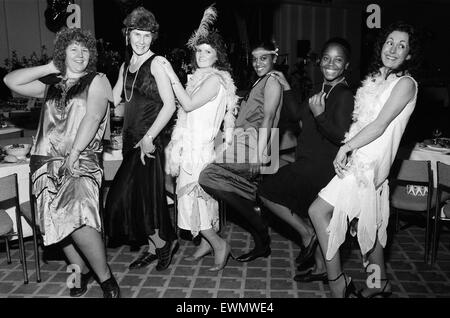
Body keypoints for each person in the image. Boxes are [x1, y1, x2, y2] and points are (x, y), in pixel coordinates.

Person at [3, 27, 120, 298]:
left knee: (78, 216)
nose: (80, 54)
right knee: (53, 223)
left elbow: (92, 118)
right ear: (63, 53)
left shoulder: (97, 80)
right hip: (45, 163)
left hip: (80, 161)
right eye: (73, 49)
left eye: (85, 49)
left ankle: (106, 279)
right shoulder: (51, 83)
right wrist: (48, 66)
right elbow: (11, 80)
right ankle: (78, 271)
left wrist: (75, 152)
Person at [308, 21, 421, 298]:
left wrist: (346, 146)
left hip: (368, 165)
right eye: (389, 42)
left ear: (409, 55)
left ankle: (337, 283)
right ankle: (378, 284)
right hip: (364, 158)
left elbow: (381, 125)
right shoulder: (377, 80)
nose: (393, 49)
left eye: (401, 45)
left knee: (317, 211)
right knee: (365, 224)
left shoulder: (405, 84)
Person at [258, 38, 355, 283]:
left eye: (338, 60)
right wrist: (287, 86)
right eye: (326, 58)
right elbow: (294, 115)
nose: (330, 64)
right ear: (319, 61)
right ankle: (322, 267)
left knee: (266, 190)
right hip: (308, 160)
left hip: (321, 167)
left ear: (346, 65)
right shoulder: (320, 89)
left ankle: (306, 234)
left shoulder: (344, 95)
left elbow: (342, 137)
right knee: (312, 214)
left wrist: (320, 115)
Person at [161, 5, 238, 272]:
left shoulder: (215, 80)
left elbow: (189, 104)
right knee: (196, 201)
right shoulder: (200, 78)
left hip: (200, 151)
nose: (202, 55)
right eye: (199, 50)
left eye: (208, 51)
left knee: (195, 200)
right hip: (192, 147)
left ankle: (219, 245)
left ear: (217, 56)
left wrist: (170, 75)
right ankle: (206, 243)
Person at [105, 7, 178, 271]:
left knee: (119, 201)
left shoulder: (157, 63)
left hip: (148, 142)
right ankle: (155, 244)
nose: (142, 40)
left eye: (147, 35)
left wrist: (149, 138)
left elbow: (170, 105)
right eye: (137, 34)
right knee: (142, 200)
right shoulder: (126, 65)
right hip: (129, 140)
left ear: (153, 36)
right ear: (127, 34)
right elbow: (114, 99)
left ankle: (162, 244)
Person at [199, 41, 283, 262]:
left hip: (254, 145)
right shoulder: (260, 81)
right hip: (243, 143)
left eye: (263, 58)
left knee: (208, 176)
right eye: (255, 59)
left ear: (274, 59)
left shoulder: (272, 81)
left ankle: (258, 219)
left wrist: (258, 154)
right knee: (237, 185)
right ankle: (261, 240)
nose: (258, 63)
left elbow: (269, 117)